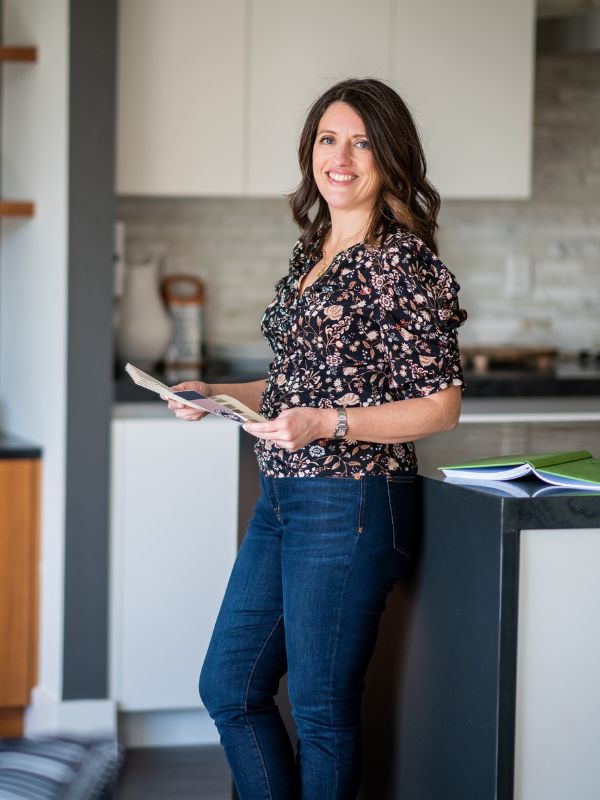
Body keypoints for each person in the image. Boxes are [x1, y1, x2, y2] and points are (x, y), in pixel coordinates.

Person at [165, 78, 467, 800]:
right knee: (229, 685)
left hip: (353, 504)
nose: (342, 157)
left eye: (363, 142)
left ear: (390, 159)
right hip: (284, 499)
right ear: (309, 152)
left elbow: (442, 406)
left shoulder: (404, 264)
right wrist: (217, 396)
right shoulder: (313, 252)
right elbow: (291, 382)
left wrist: (327, 424)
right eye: (329, 139)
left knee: (323, 715)